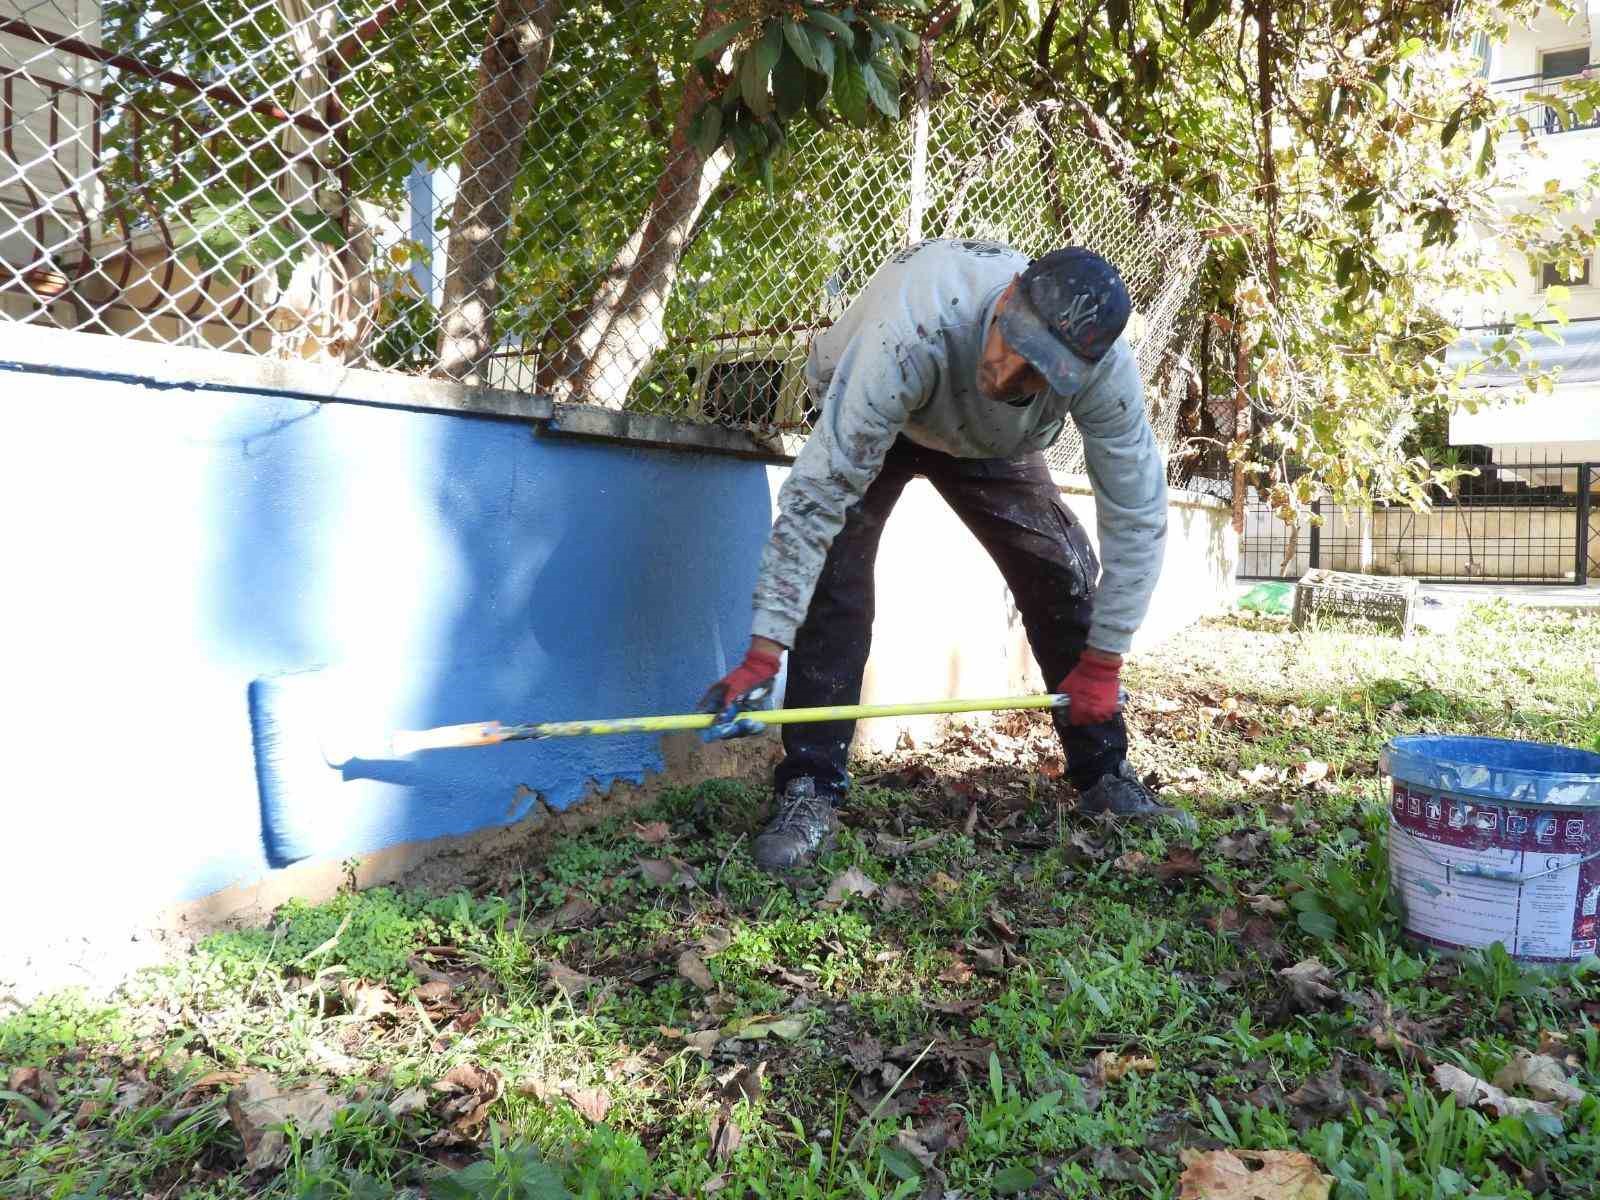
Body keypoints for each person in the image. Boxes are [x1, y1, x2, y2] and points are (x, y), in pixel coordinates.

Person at [698, 238, 1191, 872]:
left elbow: (1137, 512)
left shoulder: (1105, 368)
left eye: (1040, 369)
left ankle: (1104, 773)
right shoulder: (914, 326)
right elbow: (819, 494)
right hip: (893, 411)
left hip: (991, 442)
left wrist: (1105, 659)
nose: (1008, 377)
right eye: (1015, 346)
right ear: (1008, 297)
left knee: (1060, 572)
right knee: (836, 580)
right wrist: (766, 646)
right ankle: (809, 787)